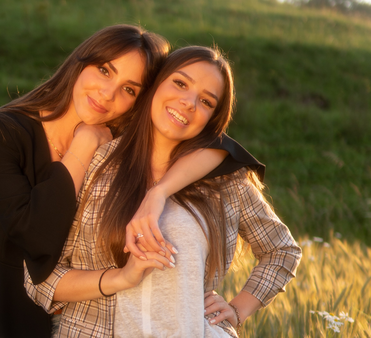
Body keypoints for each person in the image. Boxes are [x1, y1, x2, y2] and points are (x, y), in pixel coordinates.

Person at [0, 24, 260, 337]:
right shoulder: (0, 132)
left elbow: (221, 146)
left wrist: (159, 193)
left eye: (129, 89)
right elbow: (34, 236)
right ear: (81, 62)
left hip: (80, 313)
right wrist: (85, 141)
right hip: (3, 310)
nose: (108, 94)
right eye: (105, 71)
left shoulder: (118, 145)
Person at [25, 46, 301, 338]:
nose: (189, 103)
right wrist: (120, 278)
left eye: (206, 101)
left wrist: (236, 310)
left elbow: (281, 250)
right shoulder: (96, 164)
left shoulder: (224, 182)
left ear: (213, 118)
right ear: (154, 85)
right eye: (180, 83)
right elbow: (39, 277)